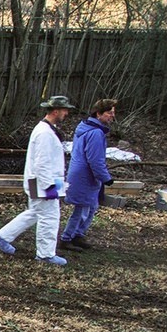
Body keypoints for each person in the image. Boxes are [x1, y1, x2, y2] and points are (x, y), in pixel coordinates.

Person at [0, 95, 75, 266]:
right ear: (55, 111)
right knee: (49, 217)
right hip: (44, 182)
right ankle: (45, 254)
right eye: (64, 110)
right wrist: (49, 186)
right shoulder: (44, 133)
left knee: (35, 212)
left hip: (45, 181)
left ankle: (2, 237)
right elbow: (42, 163)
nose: (66, 113)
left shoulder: (47, 130)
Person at [61, 98, 116, 251]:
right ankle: (66, 238)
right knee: (82, 208)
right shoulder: (95, 133)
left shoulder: (86, 128)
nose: (112, 116)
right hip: (85, 176)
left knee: (91, 207)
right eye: (109, 113)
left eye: (113, 113)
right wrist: (106, 178)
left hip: (82, 174)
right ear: (98, 113)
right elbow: (95, 160)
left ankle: (78, 235)